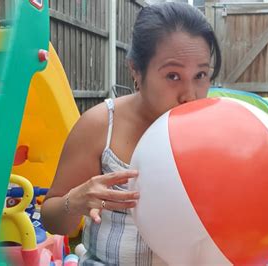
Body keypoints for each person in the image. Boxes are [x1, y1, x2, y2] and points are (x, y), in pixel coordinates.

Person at [41, 2, 221, 265]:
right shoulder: (101, 125)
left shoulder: (216, 130)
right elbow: (53, 220)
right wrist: (77, 200)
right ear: (136, 69)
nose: (190, 95)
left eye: (201, 75)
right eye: (173, 75)